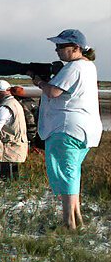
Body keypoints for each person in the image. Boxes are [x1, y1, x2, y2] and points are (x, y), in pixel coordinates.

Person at [33, 29, 100, 230]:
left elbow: (53, 92)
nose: (57, 49)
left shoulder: (74, 67)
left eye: (62, 46)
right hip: (83, 128)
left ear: (77, 48)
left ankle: (68, 223)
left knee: (65, 174)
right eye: (57, 46)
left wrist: (38, 81)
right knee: (72, 173)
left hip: (66, 128)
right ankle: (76, 218)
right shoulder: (88, 67)